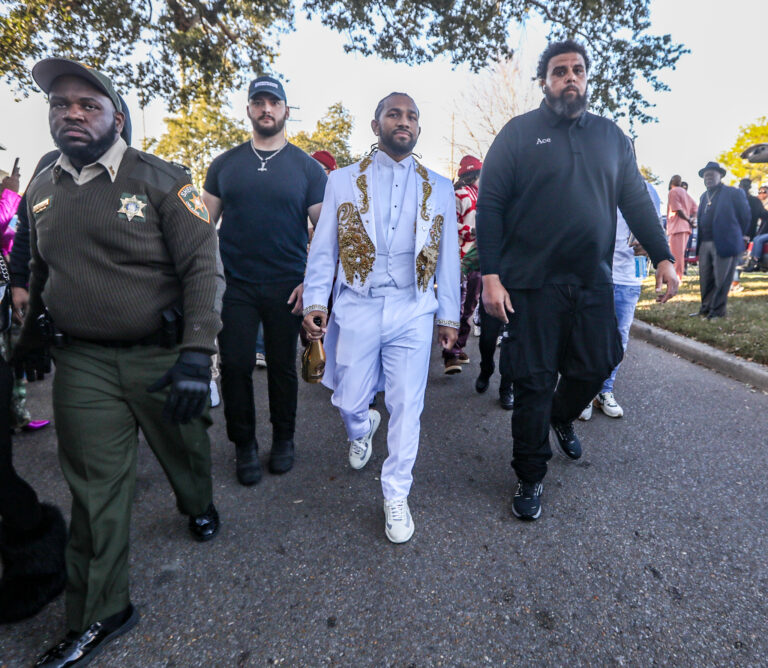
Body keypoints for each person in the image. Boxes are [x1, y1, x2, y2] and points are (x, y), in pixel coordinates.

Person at [19, 58, 222, 667]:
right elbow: (39, 268)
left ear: (117, 117)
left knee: (184, 449)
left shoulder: (161, 179)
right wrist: (28, 335)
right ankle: (101, 613)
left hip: (161, 358)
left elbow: (203, 269)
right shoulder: (42, 187)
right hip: (82, 363)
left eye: (88, 105)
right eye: (61, 105)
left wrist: (196, 354)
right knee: (95, 493)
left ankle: (198, 502)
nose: (72, 114)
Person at [476, 40, 678, 522]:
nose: (570, 77)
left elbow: (635, 204)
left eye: (578, 70)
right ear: (544, 81)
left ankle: (562, 415)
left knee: (601, 360)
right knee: (533, 380)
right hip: (531, 285)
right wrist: (490, 274)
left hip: (592, 282)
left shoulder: (611, 137)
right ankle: (529, 476)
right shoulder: (518, 134)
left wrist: (664, 257)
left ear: (587, 79)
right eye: (559, 71)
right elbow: (491, 206)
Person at [302, 92, 460, 543]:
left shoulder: (440, 187)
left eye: (411, 116)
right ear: (377, 125)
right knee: (348, 398)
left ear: (418, 129)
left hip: (413, 308)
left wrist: (449, 316)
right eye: (395, 114)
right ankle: (361, 425)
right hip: (357, 304)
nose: (404, 121)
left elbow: (448, 257)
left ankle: (395, 493)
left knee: (408, 405)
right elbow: (325, 249)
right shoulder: (342, 181)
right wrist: (317, 303)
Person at [202, 76, 326, 487]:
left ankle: (284, 440)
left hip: (287, 285)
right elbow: (204, 229)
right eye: (259, 102)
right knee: (236, 366)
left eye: (274, 102)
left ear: (286, 111)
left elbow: (324, 235)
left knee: (281, 369)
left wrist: (312, 282)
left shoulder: (308, 169)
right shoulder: (224, 165)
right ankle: (245, 446)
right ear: (249, 109)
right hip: (235, 285)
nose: (266, 109)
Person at [580, 180, 662, 421]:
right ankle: (582, 391)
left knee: (618, 339)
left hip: (627, 276)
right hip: (592, 273)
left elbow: (655, 229)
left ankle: (605, 390)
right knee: (586, 335)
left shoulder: (647, 190)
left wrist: (648, 247)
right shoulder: (593, 183)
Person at [690, 162, 750, 319]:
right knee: (705, 278)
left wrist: (741, 234)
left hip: (725, 242)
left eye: (711, 174)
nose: (708, 178)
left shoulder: (732, 193)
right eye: (705, 175)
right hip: (705, 243)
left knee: (721, 279)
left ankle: (717, 312)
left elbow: (745, 215)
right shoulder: (704, 196)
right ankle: (705, 308)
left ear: (720, 175)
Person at [443, 155, 482, 374]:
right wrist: (471, 231)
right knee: (456, 307)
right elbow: (448, 222)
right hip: (459, 259)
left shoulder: (482, 194)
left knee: (469, 307)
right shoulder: (457, 194)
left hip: (477, 257)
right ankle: (450, 355)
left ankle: (458, 346)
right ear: (474, 174)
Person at [666, 174, 697, 279]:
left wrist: (689, 219)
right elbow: (696, 208)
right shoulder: (684, 193)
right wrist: (692, 220)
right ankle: (677, 276)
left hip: (677, 227)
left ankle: (677, 278)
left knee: (676, 255)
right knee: (679, 254)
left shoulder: (673, 191)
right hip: (685, 228)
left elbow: (677, 209)